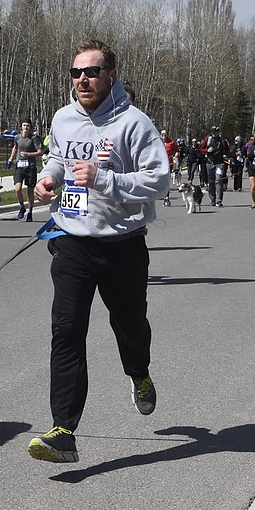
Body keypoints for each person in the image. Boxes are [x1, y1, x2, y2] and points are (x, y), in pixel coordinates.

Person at [27, 38, 171, 464]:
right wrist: (48, 178)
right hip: (71, 240)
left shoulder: (134, 123)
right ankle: (63, 431)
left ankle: (139, 372)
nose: (82, 80)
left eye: (91, 72)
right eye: (76, 73)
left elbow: (159, 181)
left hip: (122, 245)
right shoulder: (63, 118)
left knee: (130, 326)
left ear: (111, 75)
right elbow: (57, 157)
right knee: (66, 332)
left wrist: (105, 181)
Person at [6, 119, 45, 221]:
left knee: (30, 191)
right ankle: (22, 206)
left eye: (28, 126)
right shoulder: (17, 137)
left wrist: (29, 154)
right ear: (21, 127)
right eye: (24, 125)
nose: (26, 128)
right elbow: (15, 147)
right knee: (17, 188)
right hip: (20, 166)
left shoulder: (33, 138)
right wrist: (11, 158)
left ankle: (30, 212)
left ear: (30, 127)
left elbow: (40, 151)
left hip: (31, 167)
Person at [203, 126, 228, 206]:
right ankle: (212, 199)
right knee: (211, 182)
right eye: (212, 131)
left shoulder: (223, 140)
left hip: (219, 164)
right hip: (210, 163)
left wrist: (225, 154)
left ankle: (219, 200)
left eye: (215, 131)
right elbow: (200, 149)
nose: (214, 133)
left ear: (218, 132)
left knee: (218, 180)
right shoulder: (208, 139)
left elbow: (227, 150)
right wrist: (207, 150)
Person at [160, 128, 179, 205]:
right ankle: (161, 194)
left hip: (169, 163)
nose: (163, 136)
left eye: (165, 134)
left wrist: (177, 153)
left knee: (167, 179)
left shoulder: (171, 143)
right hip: (159, 164)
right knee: (161, 180)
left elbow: (177, 150)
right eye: (162, 134)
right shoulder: (158, 142)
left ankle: (166, 197)